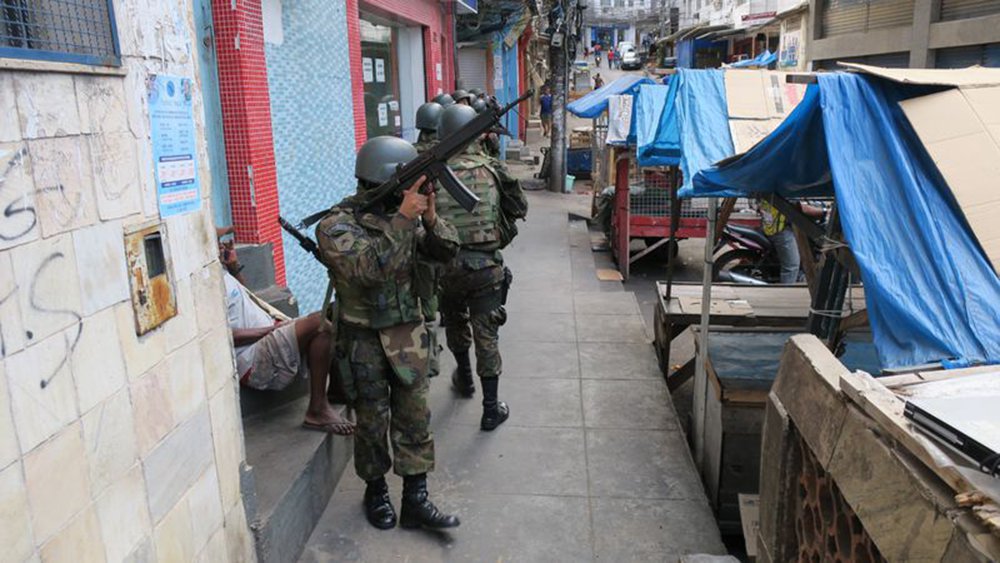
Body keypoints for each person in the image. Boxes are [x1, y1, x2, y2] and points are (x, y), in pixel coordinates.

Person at [316, 136, 461, 531]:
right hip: (362, 340)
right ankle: (375, 491)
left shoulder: (408, 217)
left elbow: (448, 252)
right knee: (371, 422)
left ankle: (416, 498)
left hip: (407, 336)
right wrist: (402, 220)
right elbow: (368, 269)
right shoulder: (336, 225)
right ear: (381, 180)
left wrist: (429, 219)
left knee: (415, 418)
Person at [435, 104, 524, 431]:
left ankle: (465, 378)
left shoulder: (433, 170)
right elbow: (519, 206)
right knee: (487, 335)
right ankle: (490, 408)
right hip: (485, 267)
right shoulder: (493, 168)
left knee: (456, 321)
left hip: (445, 268)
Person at [219, 236, 354, 435]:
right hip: (250, 357)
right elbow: (219, 337)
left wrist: (233, 266)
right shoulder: (205, 284)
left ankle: (331, 395)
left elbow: (244, 295)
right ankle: (317, 410)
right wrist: (267, 330)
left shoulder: (220, 271)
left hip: (265, 335)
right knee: (319, 324)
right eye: (216, 240)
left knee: (328, 318)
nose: (221, 244)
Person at [757, 197, 825, 283]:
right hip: (781, 230)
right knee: (791, 266)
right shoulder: (786, 188)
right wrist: (825, 211)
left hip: (769, 227)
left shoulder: (772, 187)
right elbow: (804, 209)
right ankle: (787, 291)